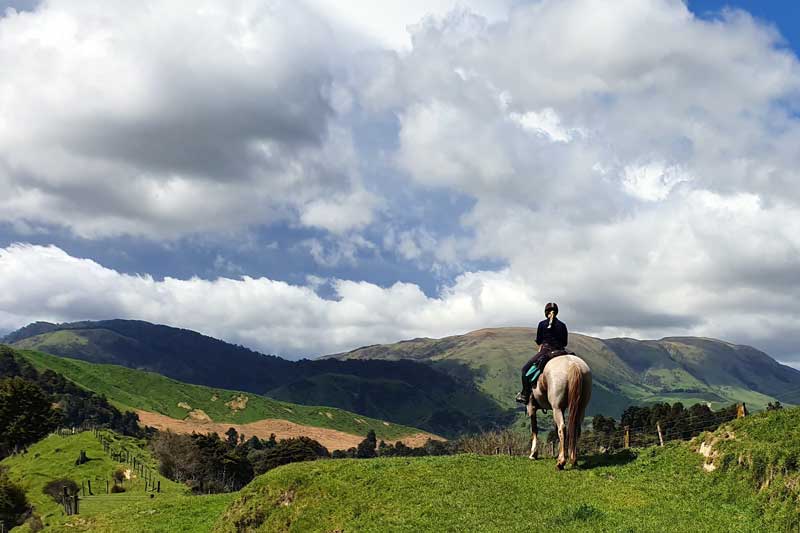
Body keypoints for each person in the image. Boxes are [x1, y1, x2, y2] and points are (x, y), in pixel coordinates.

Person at [516, 302, 568, 404]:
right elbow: (565, 343)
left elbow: (539, 341)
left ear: (545, 312)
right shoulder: (562, 325)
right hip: (561, 352)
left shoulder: (542, 324)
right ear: (556, 312)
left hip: (546, 351)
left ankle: (525, 395)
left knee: (525, 370)